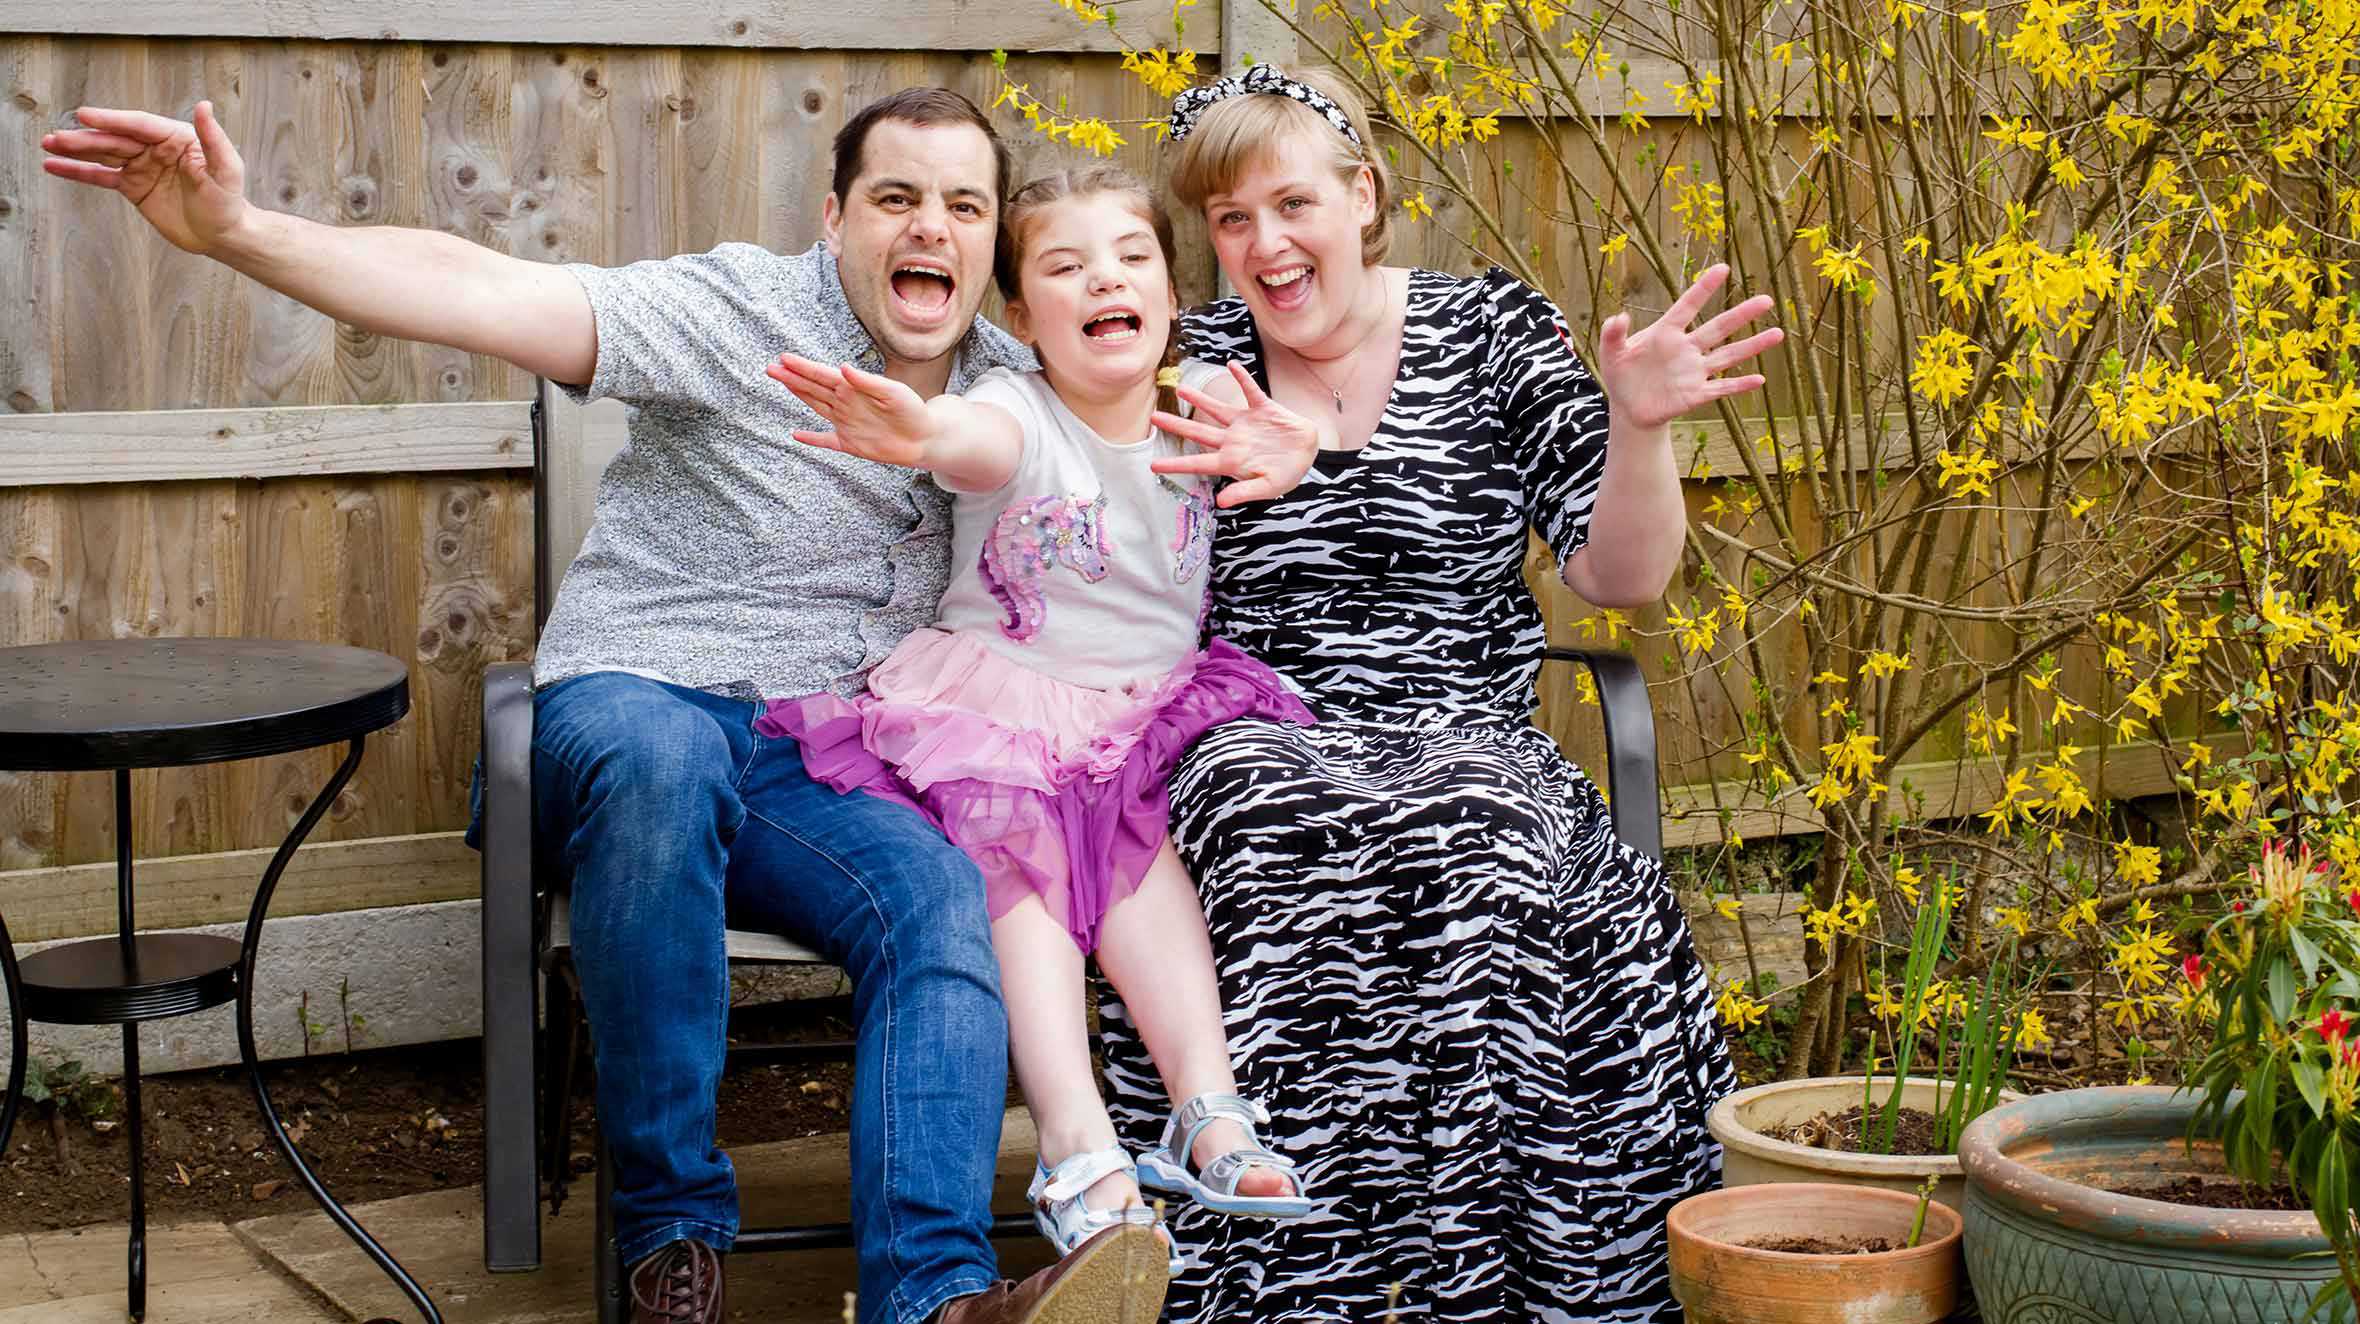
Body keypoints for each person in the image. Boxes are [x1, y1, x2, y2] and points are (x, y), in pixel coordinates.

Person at [37, 87, 1316, 1324]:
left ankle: (932, 1297)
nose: (931, 225)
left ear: (993, 249)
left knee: (939, 896)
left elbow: (1227, 366)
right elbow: (488, 289)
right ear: (834, 218)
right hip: (644, 693)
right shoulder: (734, 311)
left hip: (825, 756)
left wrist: (1297, 447)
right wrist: (243, 232)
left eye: (964, 205)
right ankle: (672, 1243)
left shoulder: (1009, 373)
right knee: (658, 766)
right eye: (896, 197)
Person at [1092, 65, 1785, 1322]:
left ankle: (1486, 1275)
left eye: (1290, 203)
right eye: (1230, 220)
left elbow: (1619, 578)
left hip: (1463, 725)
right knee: (1257, 820)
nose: (1261, 244)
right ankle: (1285, 1277)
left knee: (1471, 825)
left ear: (1363, 197)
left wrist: (1639, 432)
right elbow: (1067, 507)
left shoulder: (1491, 334)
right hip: (1248, 719)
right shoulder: (1184, 354)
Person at [759, 165, 1321, 1277]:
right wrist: (919, 430)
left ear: (1169, 294)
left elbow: (1316, 425)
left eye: (1130, 259)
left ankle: (1205, 1106)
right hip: (996, 709)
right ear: (1021, 317)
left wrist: (1295, 443)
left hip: (1135, 712)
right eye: (1063, 268)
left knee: (1139, 871)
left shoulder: (1205, 398)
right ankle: (1074, 1138)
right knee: (1021, 875)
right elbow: (969, 440)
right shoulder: (1017, 407)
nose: (1102, 279)